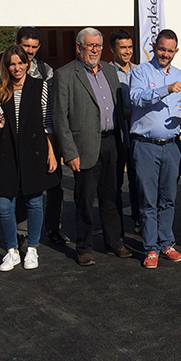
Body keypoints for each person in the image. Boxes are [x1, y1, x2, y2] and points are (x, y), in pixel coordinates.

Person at [51, 27, 131, 267]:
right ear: (79, 47)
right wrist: (69, 152)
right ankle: (84, 247)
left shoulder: (108, 70)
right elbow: (59, 118)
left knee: (111, 196)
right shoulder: (65, 74)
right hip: (84, 146)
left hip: (111, 142)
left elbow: (117, 107)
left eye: (98, 45)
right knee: (85, 199)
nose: (95, 50)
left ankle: (114, 240)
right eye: (90, 45)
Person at [0, 46, 60, 271]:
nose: (17, 68)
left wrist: (51, 152)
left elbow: (47, 122)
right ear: (6, 66)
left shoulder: (40, 87)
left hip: (35, 150)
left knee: (34, 201)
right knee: (4, 204)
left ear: (27, 64)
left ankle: (32, 249)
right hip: (7, 152)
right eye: (12, 64)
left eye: (21, 63)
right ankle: (12, 250)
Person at [130, 30, 181, 269]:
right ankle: (150, 248)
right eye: (162, 49)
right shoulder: (141, 72)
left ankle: (166, 243)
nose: (165, 54)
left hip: (172, 146)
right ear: (154, 47)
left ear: (176, 51)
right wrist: (165, 89)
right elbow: (135, 98)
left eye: (170, 50)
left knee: (168, 198)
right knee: (148, 200)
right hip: (146, 145)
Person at [14, 26, 68, 247]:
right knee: (21, 187)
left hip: (45, 135)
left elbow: (53, 107)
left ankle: (53, 228)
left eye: (34, 47)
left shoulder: (46, 71)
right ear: (17, 43)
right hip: (20, 138)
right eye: (26, 45)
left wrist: (53, 142)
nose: (30, 50)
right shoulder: (8, 68)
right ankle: (21, 231)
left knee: (54, 186)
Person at [109, 28, 140, 234]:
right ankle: (115, 223)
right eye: (123, 47)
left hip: (137, 135)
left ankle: (138, 219)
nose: (127, 51)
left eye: (130, 47)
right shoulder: (106, 73)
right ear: (113, 49)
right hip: (116, 135)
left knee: (138, 180)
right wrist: (121, 112)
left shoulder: (139, 71)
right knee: (115, 182)